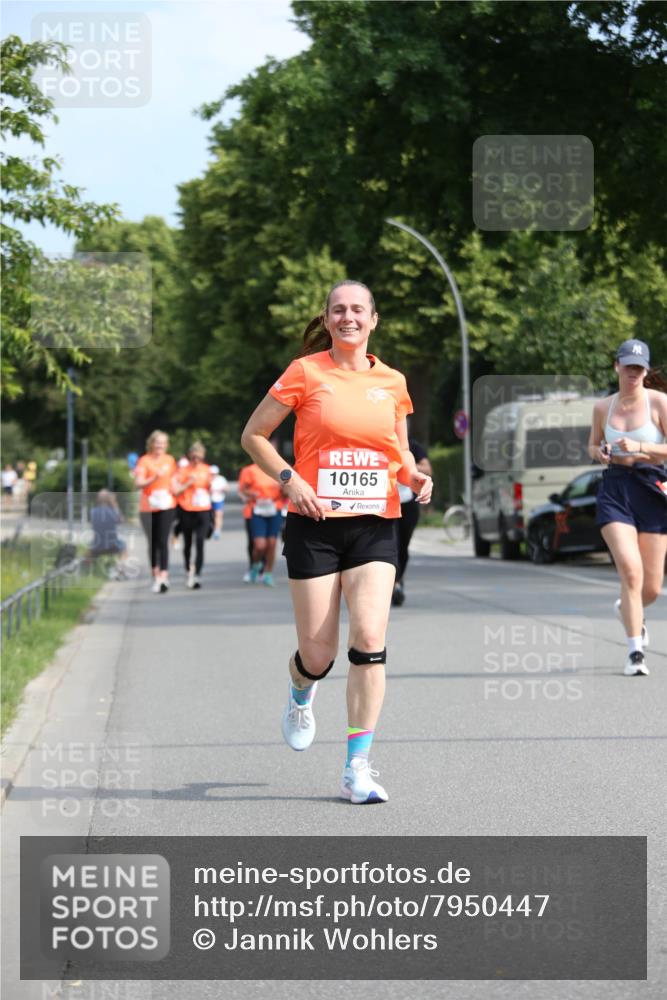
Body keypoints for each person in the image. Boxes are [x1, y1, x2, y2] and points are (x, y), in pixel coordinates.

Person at [241, 279, 432, 803]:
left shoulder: (393, 381)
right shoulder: (305, 373)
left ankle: (358, 767)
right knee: (319, 653)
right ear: (327, 320)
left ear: (373, 319)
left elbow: (399, 449)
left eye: (357, 310)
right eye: (338, 310)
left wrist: (414, 477)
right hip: (314, 524)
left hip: (375, 523)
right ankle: (303, 687)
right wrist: (290, 480)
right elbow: (254, 436)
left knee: (370, 641)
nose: (348, 317)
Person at [588, 339, 667, 676]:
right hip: (615, 489)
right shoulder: (603, 407)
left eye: (639, 368)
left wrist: (641, 446)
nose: (633, 373)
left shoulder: (659, 403)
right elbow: (591, 444)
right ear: (617, 366)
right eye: (628, 366)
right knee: (630, 572)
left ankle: (629, 607)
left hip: (652, 488)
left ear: (646, 371)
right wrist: (600, 452)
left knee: (650, 587)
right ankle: (635, 652)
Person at [133, 430, 177, 593]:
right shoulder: (144, 461)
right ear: (151, 444)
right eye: (157, 443)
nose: (160, 446)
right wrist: (154, 478)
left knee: (163, 540)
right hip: (148, 506)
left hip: (166, 504)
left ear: (166, 445)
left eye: (163, 443)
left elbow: (173, 481)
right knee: (152, 542)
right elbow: (138, 484)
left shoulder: (170, 460)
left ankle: (164, 576)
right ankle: (156, 575)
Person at [392, 437, 433, 606]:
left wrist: (408, 468)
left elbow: (428, 468)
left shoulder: (412, 445)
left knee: (403, 545)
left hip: (407, 503)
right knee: (391, 544)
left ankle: (398, 580)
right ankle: (394, 584)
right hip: (385, 504)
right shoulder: (377, 438)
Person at [172, 442, 213, 589]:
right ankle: (188, 569)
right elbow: (175, 491)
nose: (196, 460)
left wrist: (212, 486)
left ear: (203, 456)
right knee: (188, 542)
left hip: (203, 509)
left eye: (199, 457)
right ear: (190, 456)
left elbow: (210, 489)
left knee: (200, 541)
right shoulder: (182, 470)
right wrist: (188, 483)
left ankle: (198, 574)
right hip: (186, 509)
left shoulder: (207, 470)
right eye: (194, 457)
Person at [237, 460, 284, 586]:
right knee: (259, 545)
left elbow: (286, 492)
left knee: (272, 543)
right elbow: (242, 490)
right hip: (256, 510)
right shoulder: (249, 470)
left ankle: (268, 574)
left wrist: (285, 488)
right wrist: (251, 493)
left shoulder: (278, 468)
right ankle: (255, 565)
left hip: (274, 509)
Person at [89, 489, 129, 578]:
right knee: (124, 548)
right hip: (112, 545)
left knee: (89, 549)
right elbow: (121, 520)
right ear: (109, 499)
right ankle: (120, 570)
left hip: (97, 545)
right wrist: (115, 504)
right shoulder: (113, 511)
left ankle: (90, 571)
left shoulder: (93, 511)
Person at [209, 465, 228, 538]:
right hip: (208, 500)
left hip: (218, 499)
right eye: (212, 473)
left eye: (214, 473)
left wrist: (222, 489)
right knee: (210, 516)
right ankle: (211, 528)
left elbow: (227, 488)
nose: (213, 475)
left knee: (218, 515)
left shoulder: (221, 479)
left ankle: (217, 530)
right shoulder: (207, 479)